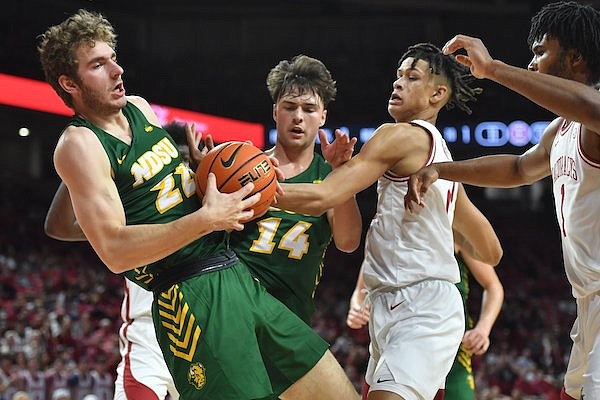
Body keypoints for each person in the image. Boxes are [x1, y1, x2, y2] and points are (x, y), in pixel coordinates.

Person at [38, 9, 360, 399]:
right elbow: (116, 251)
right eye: (98, 65)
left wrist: (198, 170)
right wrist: (207, 218)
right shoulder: (79, 145)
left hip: (235, 276)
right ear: (69, 83)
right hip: (188, 293)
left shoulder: (138, 108)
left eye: (113, 57)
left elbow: (167, 194)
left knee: (337, 392)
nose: (117, 70)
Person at [275, 42, 503, 400]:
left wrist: (253, 192)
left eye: (412, 77)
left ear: (437, 94)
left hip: (419, 307)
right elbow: (491, 251)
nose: (397, 83)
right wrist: (441, 230)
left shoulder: (399, 135)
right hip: (403, 307)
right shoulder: (441, 162)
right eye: (398, 76)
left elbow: (322, 197)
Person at [403, 3, 600, 399]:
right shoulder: (563, 129)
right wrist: (443, 169)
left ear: (576, 57)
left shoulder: (594, 113)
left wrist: (492, 69)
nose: (531, 63)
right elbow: (516, 169)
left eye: (541, 52)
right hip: (588, 301)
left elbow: (593, 106)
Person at [228, 54, 362, 325]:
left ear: (323, 116)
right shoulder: (243, 167)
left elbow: (348, 243)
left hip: (290, 319)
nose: (298, 117)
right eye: (290, 107)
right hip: (236, 311)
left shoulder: (330, 177)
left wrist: (342, 175)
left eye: (309, 109)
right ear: (275, 111)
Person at [346, 237, 504, 400]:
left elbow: (493, 285)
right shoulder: (383, 226)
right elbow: (360, 291)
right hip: (395, 340)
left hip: (447, 345)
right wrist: (357, 307)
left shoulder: (452, 228)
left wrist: (483, 328)